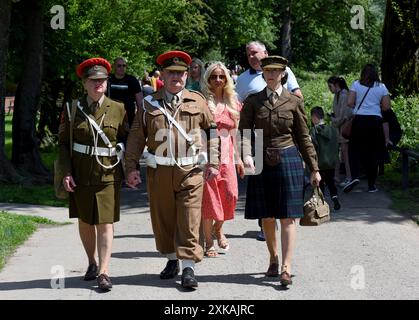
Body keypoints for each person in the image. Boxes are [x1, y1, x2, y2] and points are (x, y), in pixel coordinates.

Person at [124, 50, 220, 289]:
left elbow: (213, 132)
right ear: (163, 76)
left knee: (190, 218)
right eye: (171, 73)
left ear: (187, 75)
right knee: (164, 218)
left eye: (180, 73)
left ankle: (188, 267)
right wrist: (130, 167)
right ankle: (170, 259)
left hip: (191, 171)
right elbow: (136, 137)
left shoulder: (197, 100)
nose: (176, 77)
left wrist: (214, 162)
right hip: (160, 172)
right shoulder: (148, 104)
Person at [239, 55, 321, 286]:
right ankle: (273, 258)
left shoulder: (293, 102)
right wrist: (246, 155)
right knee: (267, 215)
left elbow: (303, 137)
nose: (272, 74)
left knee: (287, 216)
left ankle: (286, 266)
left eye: (276, 71)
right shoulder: (253, 101)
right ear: (263, 73)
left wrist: (314, 167)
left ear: (283, 73)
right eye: (268, 71)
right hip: (260, 158)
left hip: (288, 158)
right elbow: (244, 132)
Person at [57, 57, 129, 291]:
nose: (98, 84)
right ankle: (91, 262)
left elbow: (127, 138)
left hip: (108, 174)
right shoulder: (71, 108)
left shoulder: (118, 108)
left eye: (102, 80)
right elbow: (63, 144)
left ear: (107, 82)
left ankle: (104, 272)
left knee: (105, 223)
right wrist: (66, 172)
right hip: (81, 173)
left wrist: (130, 165)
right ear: (85, 83)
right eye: (93, 80)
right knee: (86, 221)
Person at [236, 40, 304, 241]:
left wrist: (282, 104)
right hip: (258, 139)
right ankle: (265, 226)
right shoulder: (242, 79)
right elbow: (238, 107)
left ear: (265, 52)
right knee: (264, 194)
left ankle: (282, 228)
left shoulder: (285, 70)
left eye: (255, 52)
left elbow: (298, 96)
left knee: (283, 192)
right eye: (248, 53)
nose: (251, 56)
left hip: (283, 138)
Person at [200, 61, 245, 257]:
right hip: (208, 154)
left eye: (221, 76)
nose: (218, 80)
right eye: (213, 77)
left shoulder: (234, 102)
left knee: (231, 194)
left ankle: (218, 228)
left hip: (228, 153)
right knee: (209, 200)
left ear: (227, 79)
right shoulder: (202, 102)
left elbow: (236, 133)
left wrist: (239, 158)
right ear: (208, 80)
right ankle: (209, 243)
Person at [343, 63, 391, 193]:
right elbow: (387, 106)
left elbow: (349, 103)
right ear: (376, 73)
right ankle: (371, 185)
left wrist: (360, 107)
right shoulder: (381, 87)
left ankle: (354, 177)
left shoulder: (356, 84)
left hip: (359, 121)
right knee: (373, 152)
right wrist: (376, 106)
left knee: (354, 149)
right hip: (375, 122)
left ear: (363, 73)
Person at [310, 106, 341, 210]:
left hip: (319, 163)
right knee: (331, 182)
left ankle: (321, 205)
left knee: (320, 183)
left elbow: (312, 147)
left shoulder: (313, 131)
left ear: (314, 117)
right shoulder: (333, 130)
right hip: (331, 162)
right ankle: (335, 199)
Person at [327, 76, 353, 186]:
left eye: (330, 86)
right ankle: (336, 176)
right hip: (338, 129)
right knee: (337, 153)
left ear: (336, 85)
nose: (329, 89)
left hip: (344, 129)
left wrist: (333, 120)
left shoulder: (344, 95)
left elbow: (344, 116)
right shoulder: (337, 95)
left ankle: (349, 177)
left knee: (345, 154)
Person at [107, 57, 143, 128]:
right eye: (119, 66)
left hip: (129, 118)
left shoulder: (132, 80)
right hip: (110, 117)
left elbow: (140, 102)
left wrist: (140, 119)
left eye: (124, 65)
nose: (122, 68)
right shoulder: (108, 80)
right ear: (113, 66)